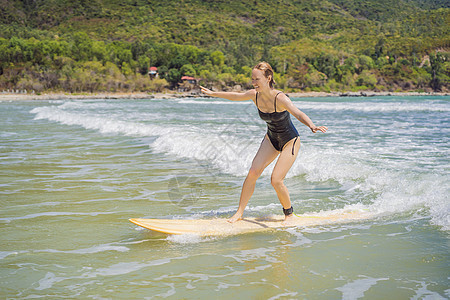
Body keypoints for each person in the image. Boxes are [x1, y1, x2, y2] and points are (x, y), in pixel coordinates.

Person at [200, 62, 327, 224]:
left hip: (290, 141)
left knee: (276, 179)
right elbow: (235, 96)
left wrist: (312, 125)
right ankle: (239, 212)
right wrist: (214, 94)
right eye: (252, 79)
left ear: (268, 78)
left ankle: (289, 214)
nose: (254, 82)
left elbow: (298, 113)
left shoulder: (280, 97)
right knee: (253, 172)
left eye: (257, 79)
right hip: (271, 139)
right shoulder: (255, 95)